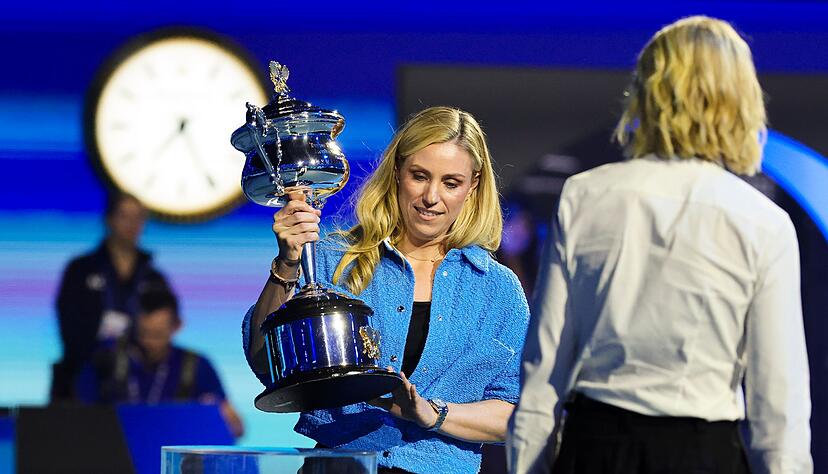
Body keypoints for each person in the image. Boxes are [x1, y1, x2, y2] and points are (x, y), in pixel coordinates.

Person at [507, 16, 812, 474]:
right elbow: (778, 402)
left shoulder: (585, 196)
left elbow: (544, 368)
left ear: (647, 91)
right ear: (739, 98)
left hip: (596, 448)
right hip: (702, 455)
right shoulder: (763, 223)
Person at [242, 106, 529, 474]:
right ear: (396, 172)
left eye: (451, 183)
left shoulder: (498, 290)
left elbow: (516, 413)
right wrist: (287, 263)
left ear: (472, 186)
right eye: (419, 176)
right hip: (341, 467)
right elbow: (267, 362)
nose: (431, 196)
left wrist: (432, 413)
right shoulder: (333, 260)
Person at [79, 288, 244, 438]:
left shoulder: (196, 365)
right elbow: (80, 420)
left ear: (177, 326)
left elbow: (236, 429)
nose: (149, 342)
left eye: (158, 334)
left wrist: (215, 413)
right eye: (143, 333)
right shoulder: (106, 361)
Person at [51, 192, 169, 402]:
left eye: (138, 217)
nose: (132, 224)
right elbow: (68, 324)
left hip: (139, 383)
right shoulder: (81, 270)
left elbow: (165, 324)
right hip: (83, 376)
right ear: (109, 219)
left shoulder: (153, 276)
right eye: (125, 216)